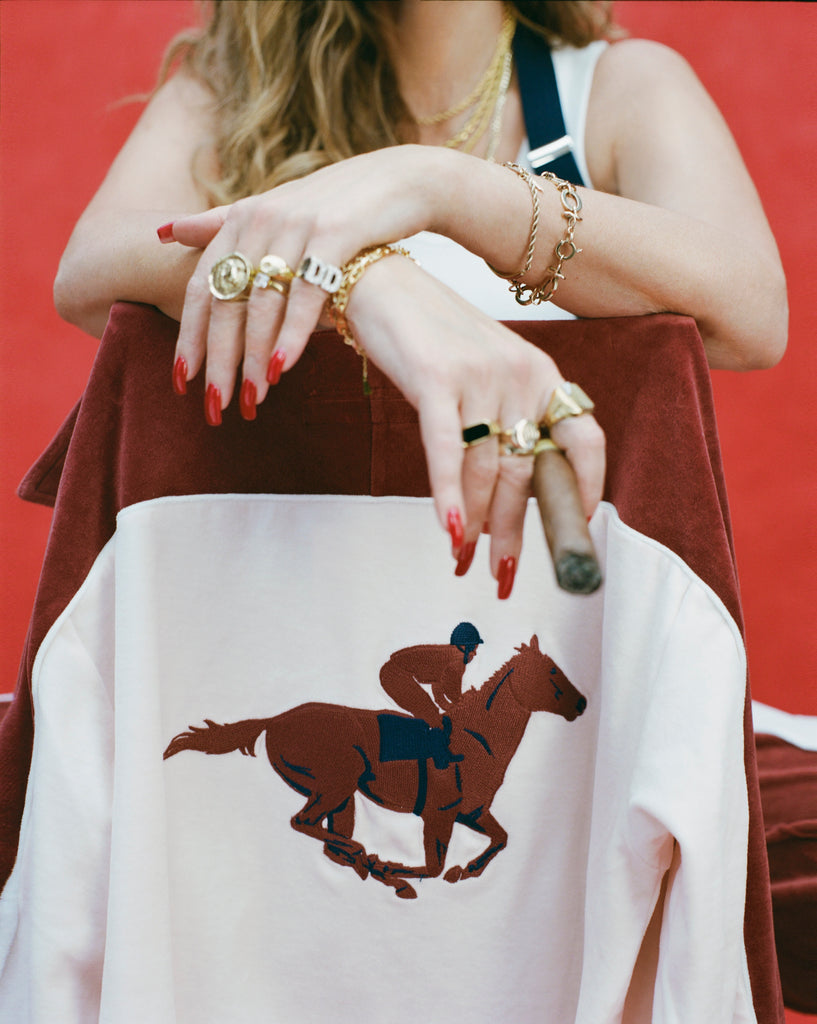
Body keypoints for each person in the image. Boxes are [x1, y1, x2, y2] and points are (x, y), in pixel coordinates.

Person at [1, 2, 792, 1022]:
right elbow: (93, 266)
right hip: (255, 651)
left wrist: (436, 188)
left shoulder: (616, 90)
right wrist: (366, 280)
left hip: (574, 726)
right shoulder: (225, 86)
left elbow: (749, 309)